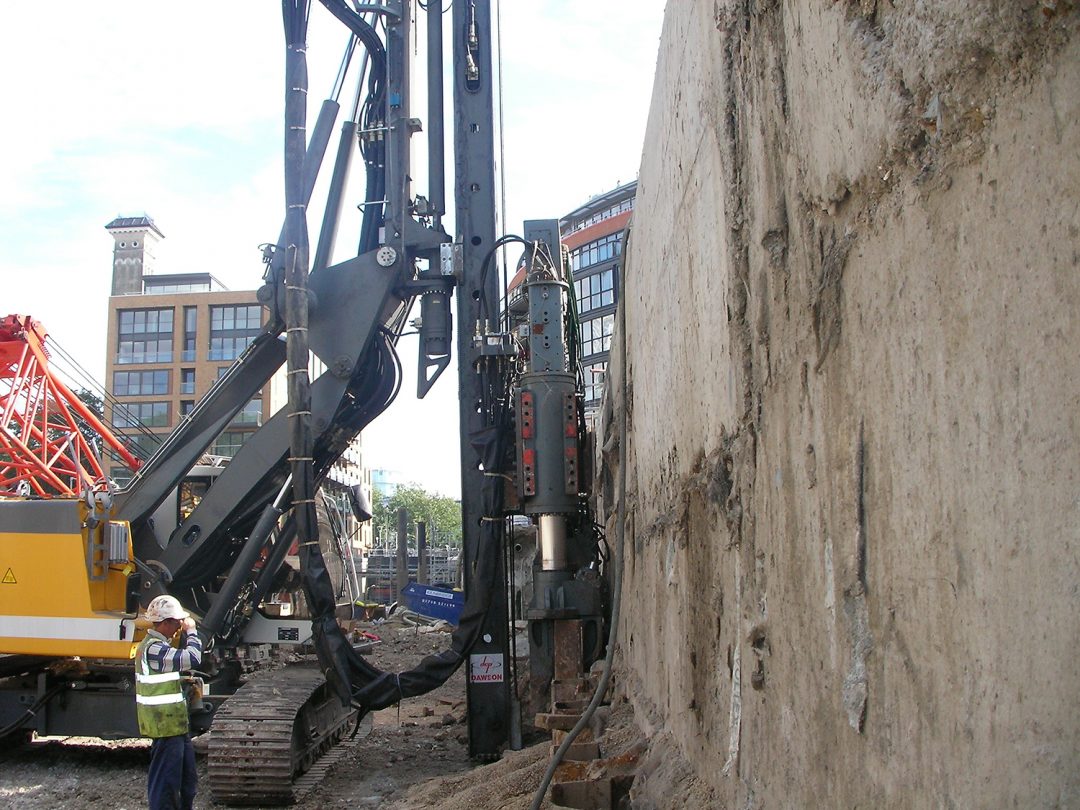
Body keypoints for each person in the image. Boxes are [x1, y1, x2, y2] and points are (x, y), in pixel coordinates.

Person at [135, 594, 203, 810]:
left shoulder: (160, 646)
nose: (179, 627)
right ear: (165, 623)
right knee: (166, 786)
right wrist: (191, 632)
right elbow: (192, 657)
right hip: (164, 727)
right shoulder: (153, 648)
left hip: (175, 727)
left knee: (187, 783)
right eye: (176, 623)